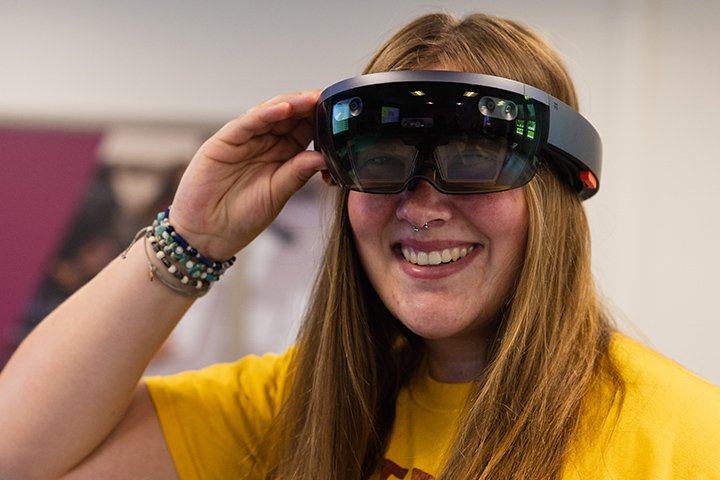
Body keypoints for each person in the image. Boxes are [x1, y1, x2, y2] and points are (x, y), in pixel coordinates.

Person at [1, 12, 718, 480]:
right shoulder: (299, 405)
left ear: (559, 191)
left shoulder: (686, 441)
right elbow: (19, 453)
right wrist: (194, 237)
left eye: (473, 158)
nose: (424, 204)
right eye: (382, 160)